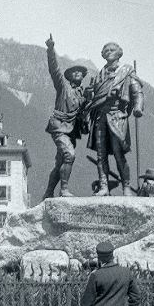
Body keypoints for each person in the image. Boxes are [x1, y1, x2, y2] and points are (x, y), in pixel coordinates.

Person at [85, 41, 144, 196]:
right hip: (100, 117)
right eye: (106, 50)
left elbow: (137, 91)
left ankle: (126, 187)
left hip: (117, 116)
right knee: (100, 154)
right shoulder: (99, 74)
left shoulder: (126, 72)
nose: (109, 52)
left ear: (119, 53)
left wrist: (138, 107)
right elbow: (95, 96)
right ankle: (104, 186)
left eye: (112, 50)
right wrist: (90, 94)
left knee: (119, 153)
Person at [42, 34, 89, 199]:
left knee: (60, 163)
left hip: (70, 131)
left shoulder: (83, 94)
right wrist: (50, 49)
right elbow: (54, 69)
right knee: (69, 155)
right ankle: (64, 190)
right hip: (59, 126)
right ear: (69, 76)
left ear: (83, 77)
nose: (77, 73)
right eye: (74, 71)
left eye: (80, 72)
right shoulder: (63, 87)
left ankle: (48, 193)